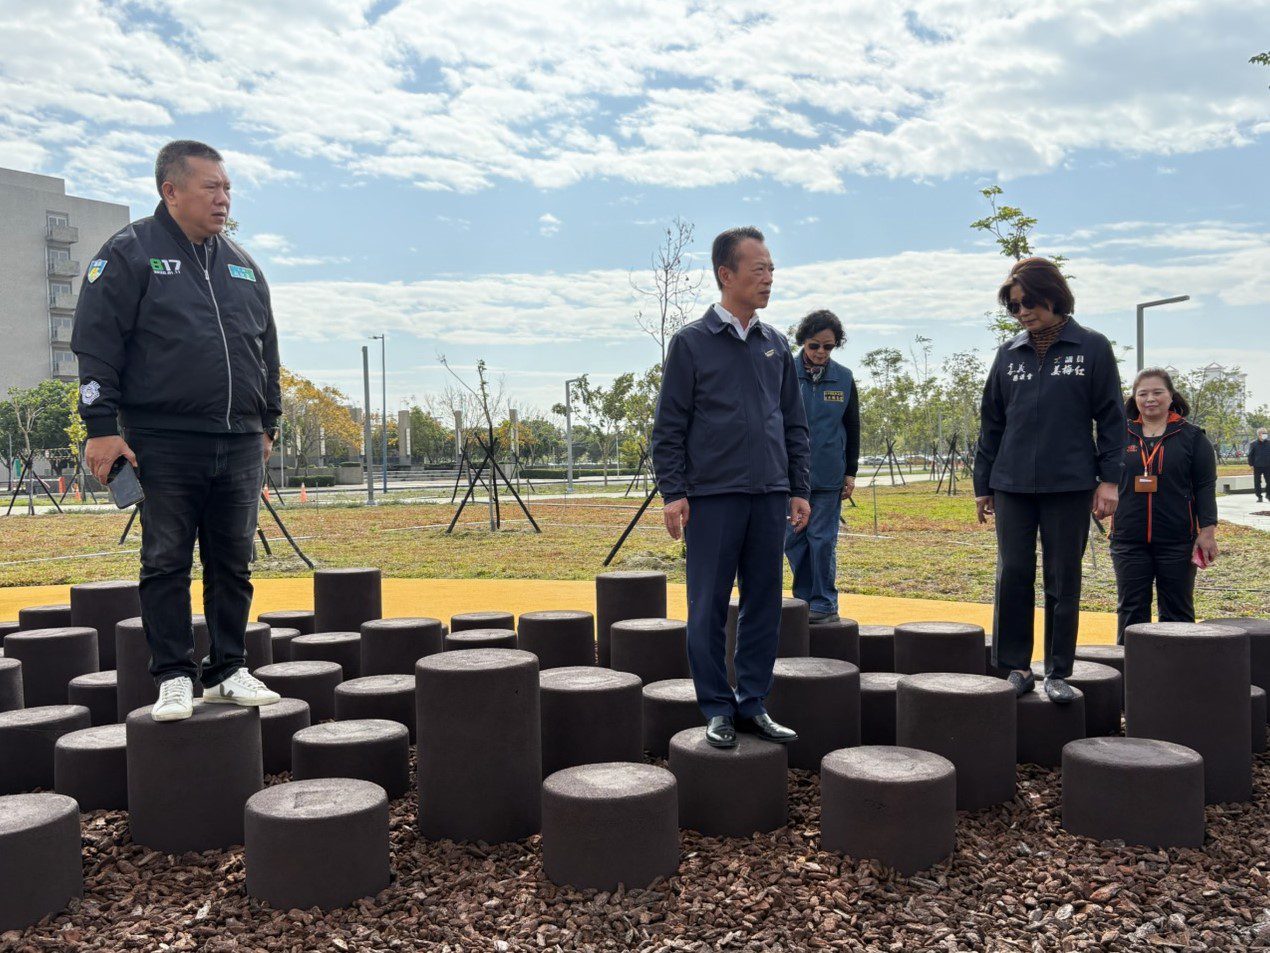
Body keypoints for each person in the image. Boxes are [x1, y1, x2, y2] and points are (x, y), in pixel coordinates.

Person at [72, 140, 282, 722]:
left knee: (232, 560)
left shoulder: (241, 263)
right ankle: (173, 675)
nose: (223, 198)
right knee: (166, 560)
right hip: (162, 439)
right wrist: (101, 428)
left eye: (228, 188)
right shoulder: (128, 254)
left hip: (239, 440)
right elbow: (96, 344)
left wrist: (268, 421)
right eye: (211, 187)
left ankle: (227, 668)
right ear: (171, 190)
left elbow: (266, 350)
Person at [652, 226, 811, 749]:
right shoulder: (692, 343)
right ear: (726, 274)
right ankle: (717, 707)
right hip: (712, 498)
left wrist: (798, 487)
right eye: (758, 269)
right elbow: (669, 426)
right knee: (708, 607)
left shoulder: (776, 345)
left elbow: (793, 424)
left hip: (769, 495)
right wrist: (673, 491)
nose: (768, 278)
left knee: (764, 604)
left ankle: (753, 703)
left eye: (771, 269)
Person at [973, 257, 1125, 702]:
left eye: (1029, 302)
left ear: (1054, 296)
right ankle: (1016, 666)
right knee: (1013, 573)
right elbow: (992, 423)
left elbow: (1112, 420)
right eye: (1014, 306)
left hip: (1071, 483)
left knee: (1063, 576)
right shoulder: (1008, 353)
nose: (1022, 312)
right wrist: (984, 484)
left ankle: (1058, 669)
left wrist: (1109, 480)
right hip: (1012, 484)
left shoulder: (1092, 347)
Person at [1110, 369, 1218, 641]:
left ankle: (1179, 678)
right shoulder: (1118, 436)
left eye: (1157, 392)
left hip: (1177, 540)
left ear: (1171, 396)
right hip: (1128, 540)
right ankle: (1131, 678)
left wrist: (1207, 532)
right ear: (1134, 399)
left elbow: (1205, 486)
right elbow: (1102, 477)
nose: (1150, 399)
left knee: (1177, 612)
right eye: (1142, 393)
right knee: (1131, 611)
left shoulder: (1192, 437)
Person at [784, 310, 859, 625]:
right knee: (794, 540)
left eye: (828, 347)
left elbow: (852, 427)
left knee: (823, 540)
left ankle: (825, 603)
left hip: (828, 476)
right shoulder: (783, 371)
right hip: (788, 478)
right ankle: (804, 600)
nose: (821, 353)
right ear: (803, 342)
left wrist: (850, 472)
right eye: (815, 345)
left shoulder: (843, 378)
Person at [1250, 427, 1270, 502]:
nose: (1265, 435)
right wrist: (1251, 464)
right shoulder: (1253, 444)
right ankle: (1259, 496)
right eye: (1263, 433)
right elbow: (1250, 455)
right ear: (1259, 435)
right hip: (1257, 466)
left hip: (1268, 466)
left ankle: (1268, 495)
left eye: (1266, 433)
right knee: (1257, 482)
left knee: (1269, 481)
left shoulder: (1269, 443)